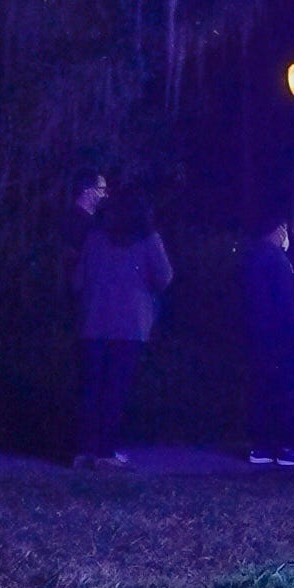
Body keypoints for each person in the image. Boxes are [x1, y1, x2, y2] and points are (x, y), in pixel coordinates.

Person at [75, 187, 174, 466]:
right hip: (131, 325)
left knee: (91, 388)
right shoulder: (148, 239)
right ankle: (106, 451)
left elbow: (79, 278)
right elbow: (164, 277)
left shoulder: (95, 238)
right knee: (116, 389)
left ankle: (84, 450)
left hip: (94, 321)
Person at [240, 217, 294, 466]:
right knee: (279, 390)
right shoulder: (275, 259)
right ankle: (282, 447)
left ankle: (262, 446)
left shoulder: (253, 255)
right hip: (277, 336)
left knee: (262, 388)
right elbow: (283, 303)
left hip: (259, 334)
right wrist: (289, 335)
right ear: (278, 229)